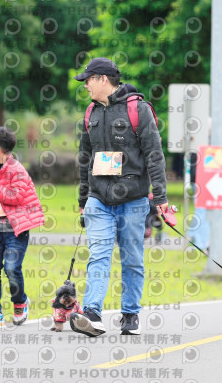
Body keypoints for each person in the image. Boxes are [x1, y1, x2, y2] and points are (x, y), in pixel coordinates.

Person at [70, 57, 169, 337]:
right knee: (99, 254)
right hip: (99, 198)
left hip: (134, 199)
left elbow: (154, 155)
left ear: (103, 80)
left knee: (132, 258)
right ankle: (92, 314)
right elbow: (84, 158)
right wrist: (83, 199)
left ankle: (130, 314)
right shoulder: (91, 113)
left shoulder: (138, 110)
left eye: (88, 80)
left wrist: (160, 197)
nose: (86, 85)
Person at [0, 126, 44, 326]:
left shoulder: (17, 170)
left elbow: (14, 197)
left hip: (16, 230)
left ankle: (20, 302)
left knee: (12, 268)